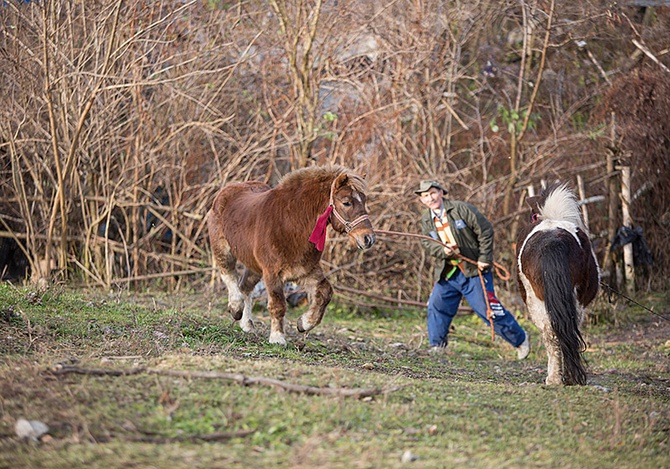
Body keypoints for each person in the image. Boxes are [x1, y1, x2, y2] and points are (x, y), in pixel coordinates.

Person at [414, 180, 530, 359]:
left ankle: (520, 339)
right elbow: (426, 244)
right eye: (426, 196)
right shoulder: (425, 220)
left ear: (441, 193)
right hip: (448, 273)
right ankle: (437, 346)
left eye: (433, 193)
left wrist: (484, 258)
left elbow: (485, 231)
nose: (431, 198)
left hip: (473, 270)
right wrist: (443, 250)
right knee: (437, 305)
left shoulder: (461, 209)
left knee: (487, 310)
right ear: (422, 200)